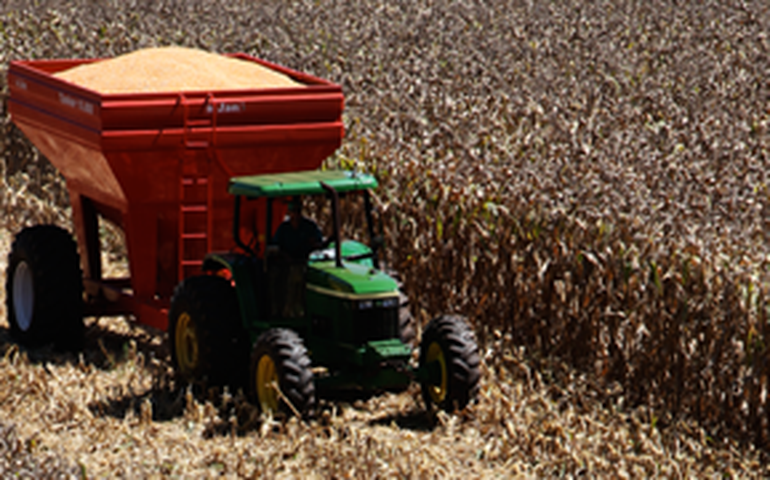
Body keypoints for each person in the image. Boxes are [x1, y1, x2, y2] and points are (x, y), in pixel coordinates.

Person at [269, 197, 322, 317]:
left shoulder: (310, 227)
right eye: (293, 212)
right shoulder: (284, 228)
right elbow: (276, 247)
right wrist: (285, 256)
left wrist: (314, 245)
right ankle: (282, 312)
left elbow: (319, 244)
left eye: (298, 211)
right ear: (289, 213)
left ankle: (304, 312)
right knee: (282, 278)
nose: (296, 215)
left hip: (306, 262)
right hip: (286, 264)